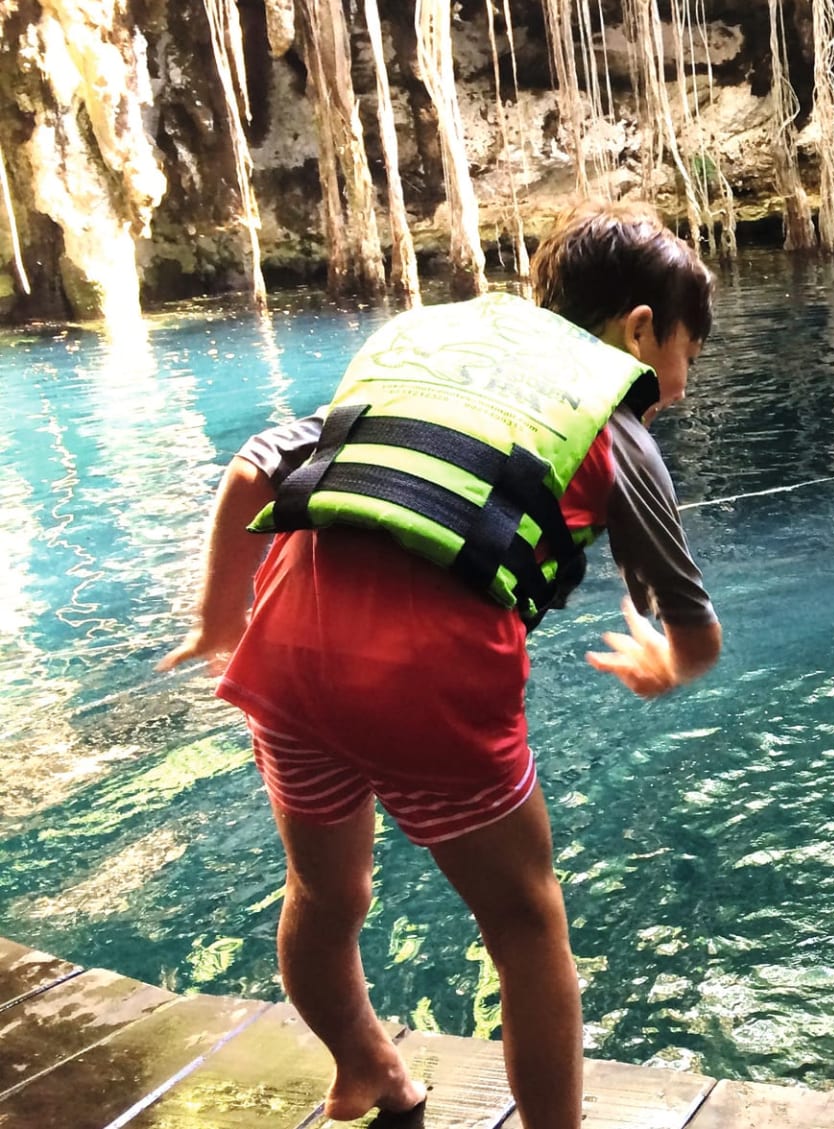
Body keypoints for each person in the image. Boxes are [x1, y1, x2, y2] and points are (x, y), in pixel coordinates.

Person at [158, 201, 724, 1129]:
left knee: (325, 892)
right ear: (639, 331)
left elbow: (256, 466)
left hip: (286, 655)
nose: (682, 386)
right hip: (431, 683)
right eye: (686, 358)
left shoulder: (438, 353)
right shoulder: (619, 426)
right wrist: (671, 662)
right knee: (528, 924)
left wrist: (222, 619)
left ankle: (366, 1068)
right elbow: (694, 623)